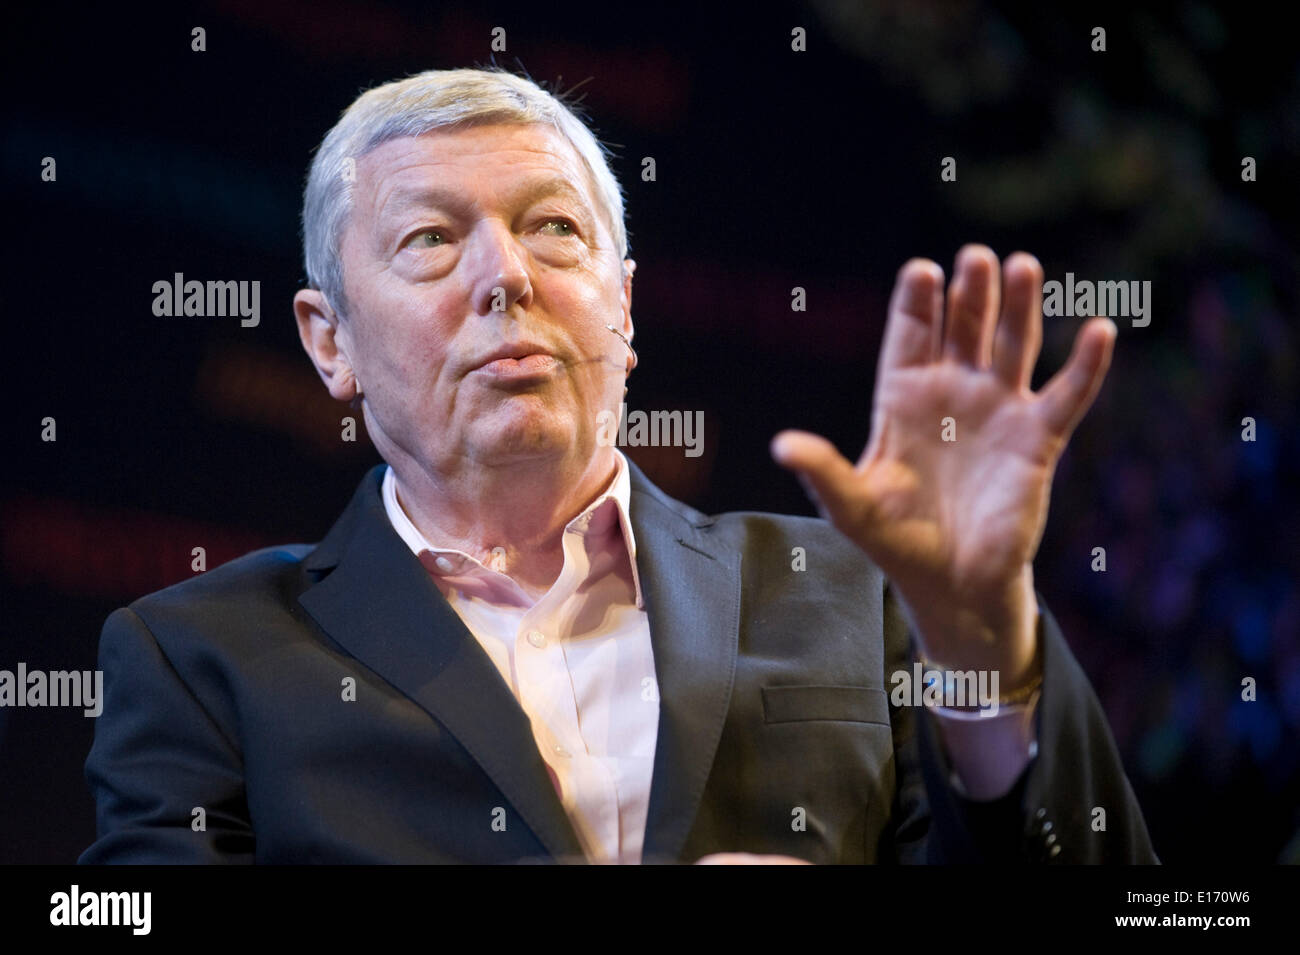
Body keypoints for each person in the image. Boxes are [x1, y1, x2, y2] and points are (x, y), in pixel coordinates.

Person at [80, 68, 1156, 864]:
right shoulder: (199, 659)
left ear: (626, 307)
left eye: (553, 228)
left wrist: (979, 656)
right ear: (331, 342)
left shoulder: (869, 593)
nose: (505, 275)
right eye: (428, 240)